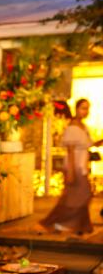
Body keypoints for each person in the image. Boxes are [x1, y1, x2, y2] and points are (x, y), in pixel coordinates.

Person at [37, 98, 103, 235]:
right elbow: (70, 150)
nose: (86, 111)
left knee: (78, 196)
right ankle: (54, 222)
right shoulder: (72, 127)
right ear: (76, 109)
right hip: (75, 166)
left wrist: (99, 142)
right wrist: (71, 171)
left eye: (87, 108)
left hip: (82, 166)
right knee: (80, 196)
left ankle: (74, 225)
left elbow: (88, 145)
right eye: (83, 108)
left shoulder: (83, 127)